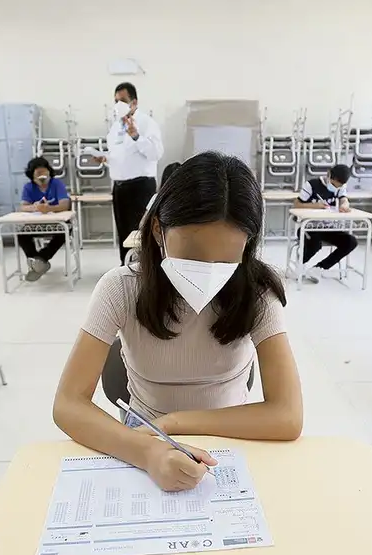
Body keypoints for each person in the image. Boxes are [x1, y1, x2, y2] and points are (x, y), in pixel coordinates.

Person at [53, 152, 303, 492]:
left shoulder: (258, 292)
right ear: (158, 229)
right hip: (144, 436)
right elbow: (68, 403)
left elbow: (287, 416)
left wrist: (176, 423)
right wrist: (149, 452)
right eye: (193, 255)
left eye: (227, 259)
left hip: (230, 434)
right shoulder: (121, 289)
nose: (209, 271)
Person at [94, 82, 164, 264]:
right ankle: (125, 268)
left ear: (134, 102)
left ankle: (145, 270)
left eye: (123, 100)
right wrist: (105, 159)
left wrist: (136, 137)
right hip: (119, 186)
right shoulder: (116, 127)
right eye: (116, 100)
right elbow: (120, 156)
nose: (118, 104)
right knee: (123, 232)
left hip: (140, 186)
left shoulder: (147, 123)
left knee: (141, 233)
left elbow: (156, 153)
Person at [292, 163, 358, 284]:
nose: (335, 188)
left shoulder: (340, 186)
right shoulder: (311, 185)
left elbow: (344, 199)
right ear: (329, 176)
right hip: (308, 227)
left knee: (350, 242)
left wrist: (345, 205)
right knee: (315, 244)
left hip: (327, 227)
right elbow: (297, 204)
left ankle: (320, 268)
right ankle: (299, 265)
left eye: (339, 186)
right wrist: (314, 206)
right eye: (333, 184)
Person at [18, 157, 72, 281]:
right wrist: (35, 207)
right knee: (21, 234)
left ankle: (41, 259)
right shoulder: (28, 187)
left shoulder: (56, 184)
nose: (42, 176)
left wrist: (49, 208)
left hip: (57, 222)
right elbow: (23, 207)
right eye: (38, 174)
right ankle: (38, 262)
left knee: (63, 232)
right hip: (36, 223)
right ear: (32, 175)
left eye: (44, 172)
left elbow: (65, 204)